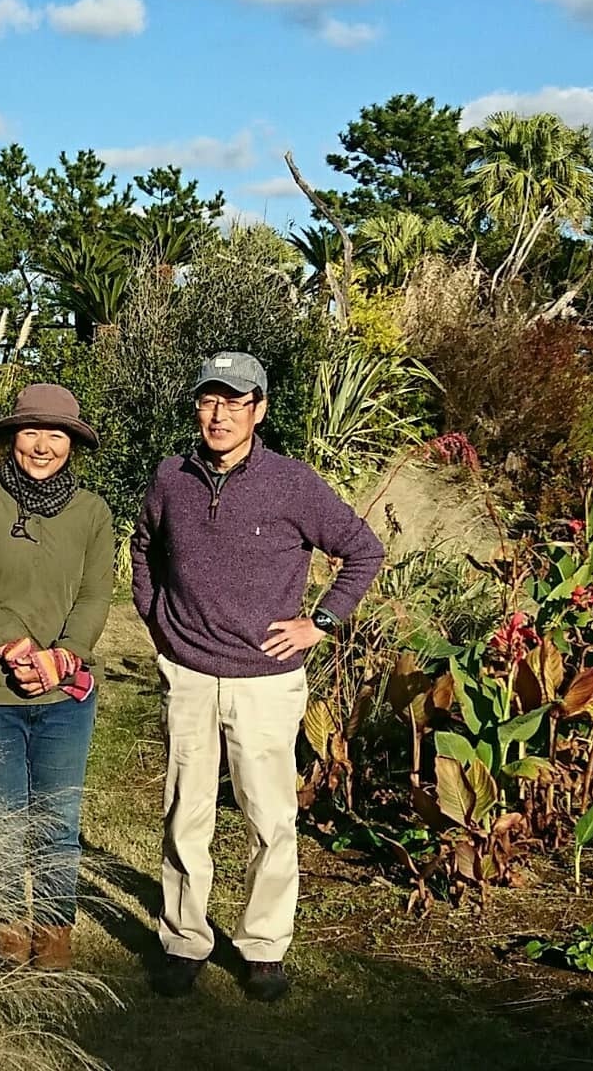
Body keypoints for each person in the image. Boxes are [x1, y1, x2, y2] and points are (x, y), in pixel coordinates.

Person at [131, 352, 385, 1001]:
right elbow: (143, 546)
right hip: (188, 673)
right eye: (209, 401)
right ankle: (185, 941)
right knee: (186, 813)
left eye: (235, 402)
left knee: (269, 817)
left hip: (267, 681)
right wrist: (158, 619)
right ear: (197, 407)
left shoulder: (293, 483)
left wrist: (319, 622)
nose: (219, 414)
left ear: (259, 410)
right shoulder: (170, 478)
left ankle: (264, 946)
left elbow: (363, 550)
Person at [0, 383, 114, 971]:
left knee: (59, 814)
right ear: (11, 437)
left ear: (73, 445)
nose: (43, 446)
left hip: (65, 694)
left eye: (57, 435)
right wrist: (11, 644)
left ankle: (54, 928)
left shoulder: (92, 512)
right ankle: (5, 925)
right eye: (32, 431)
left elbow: (95, 595)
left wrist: (62, 656)